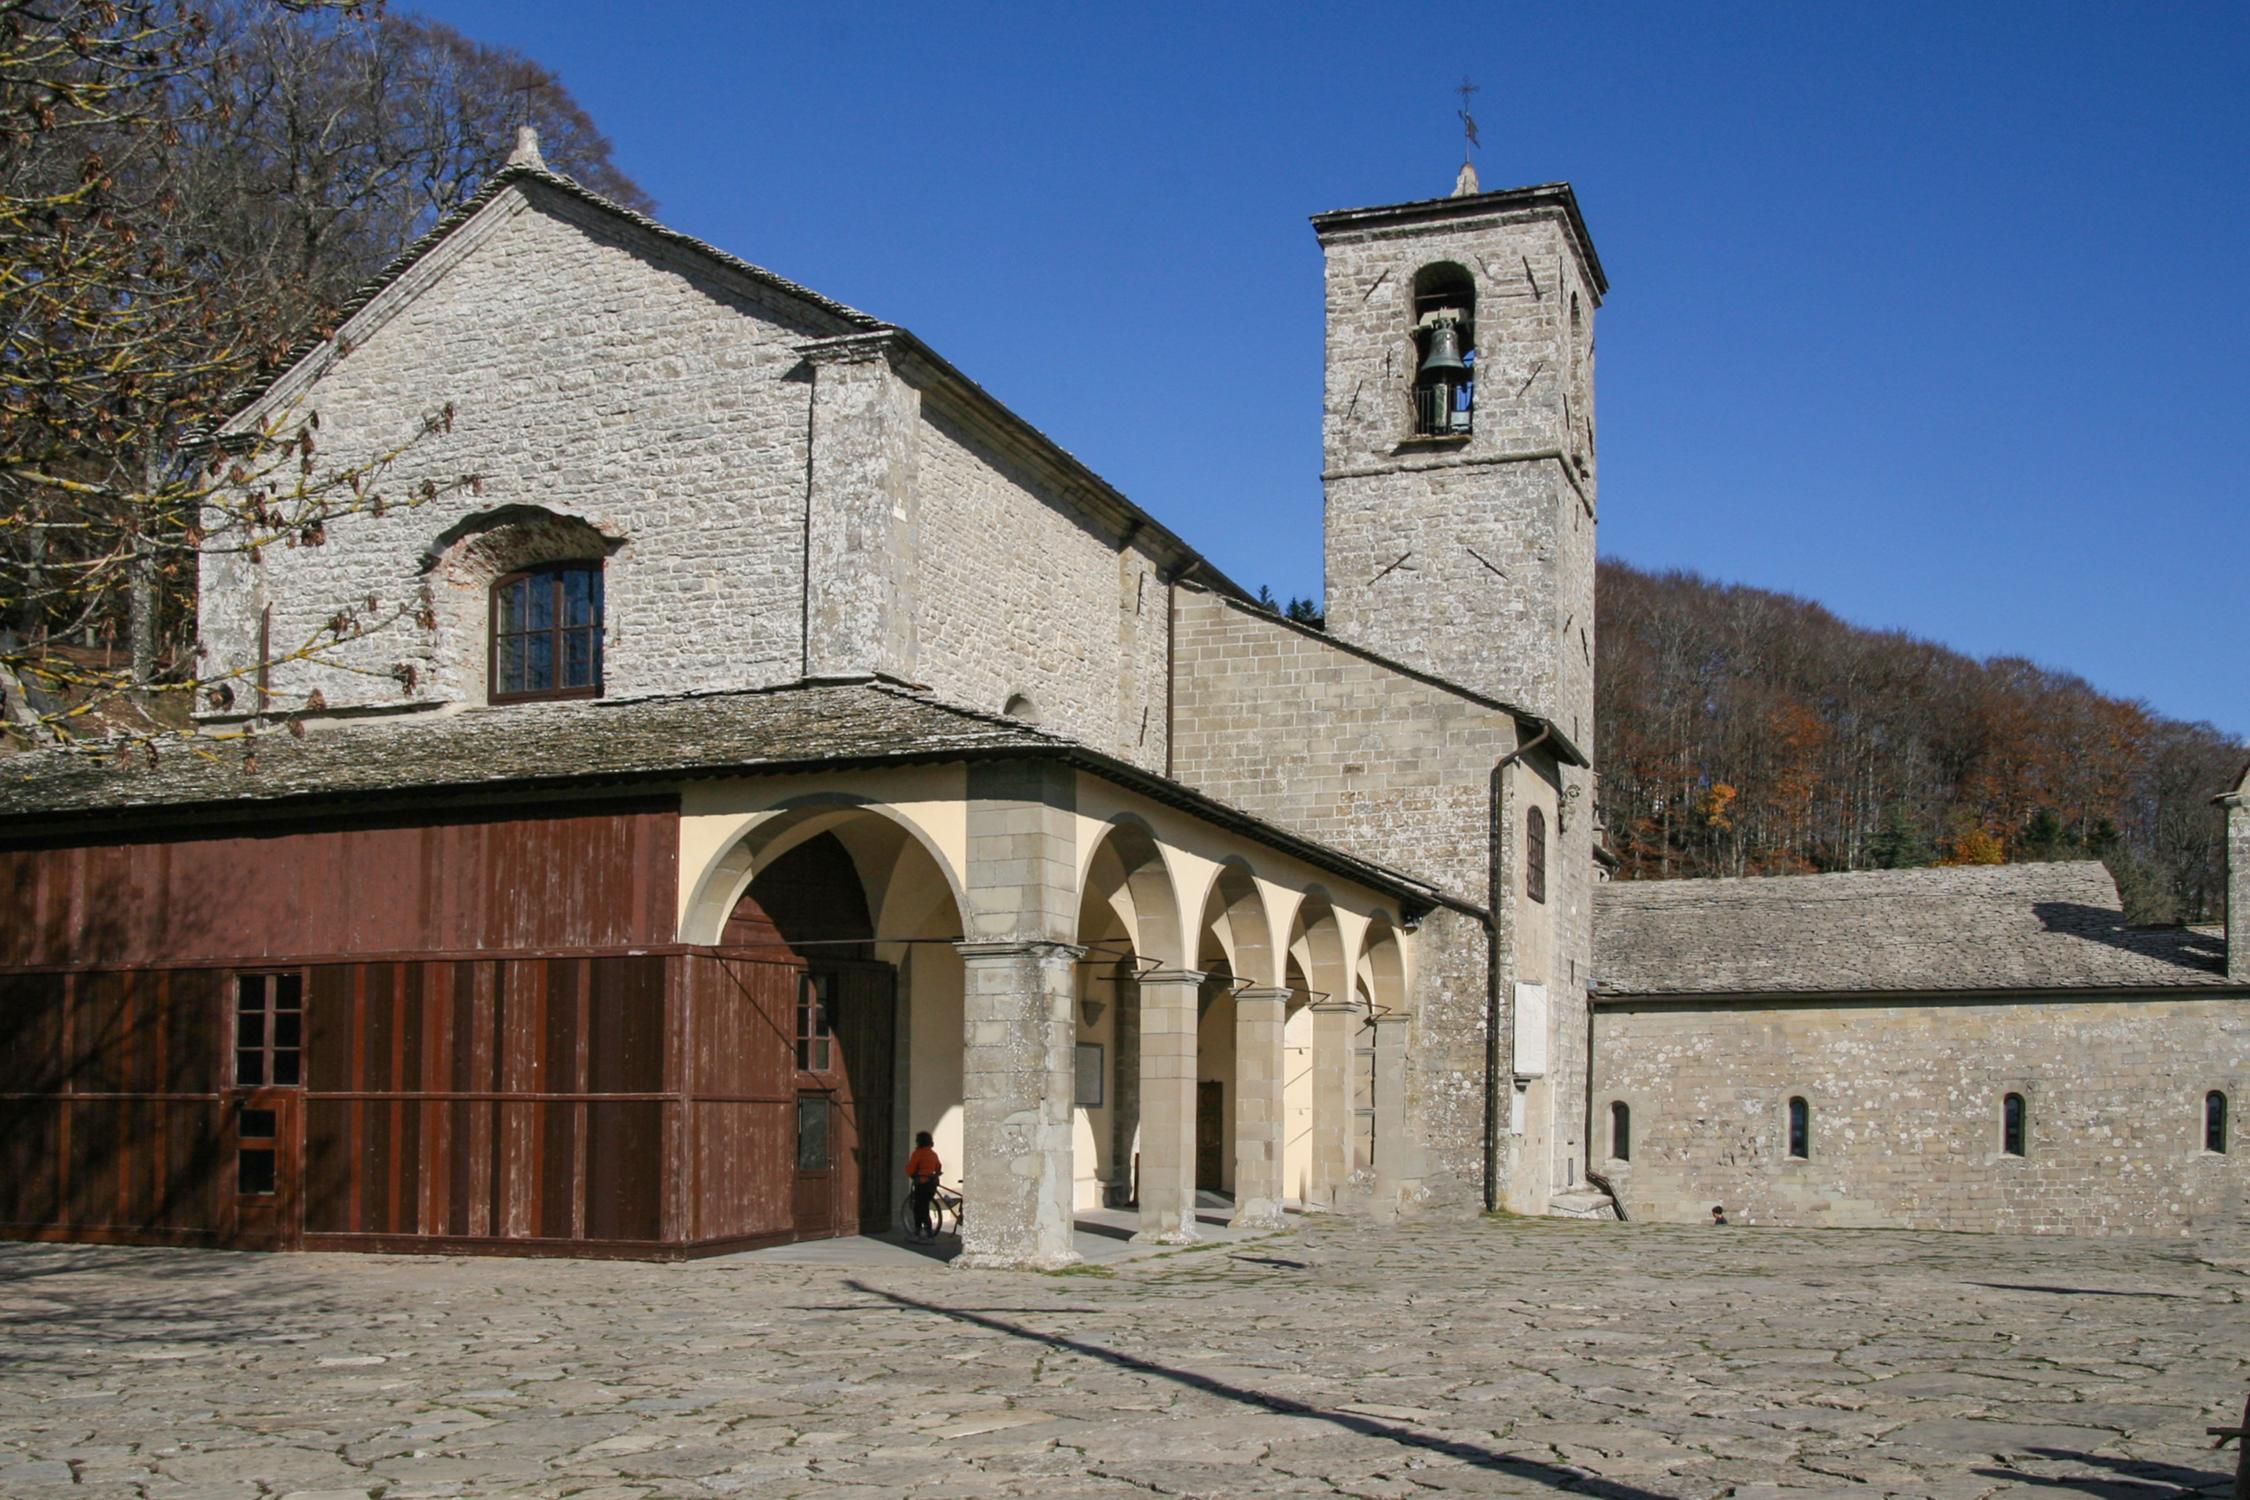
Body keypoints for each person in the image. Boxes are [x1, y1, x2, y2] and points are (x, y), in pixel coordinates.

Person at [905, 1131, 942, 1240]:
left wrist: (911, 1172)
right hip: (932, 1184)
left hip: (922, 1183)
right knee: (924, 1206)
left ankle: (923, 1232)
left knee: (919, 1208)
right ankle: (925, 1232)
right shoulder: (933, 1153)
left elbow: (910, 1169)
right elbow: (938, 1167)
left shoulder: (918, 1153)